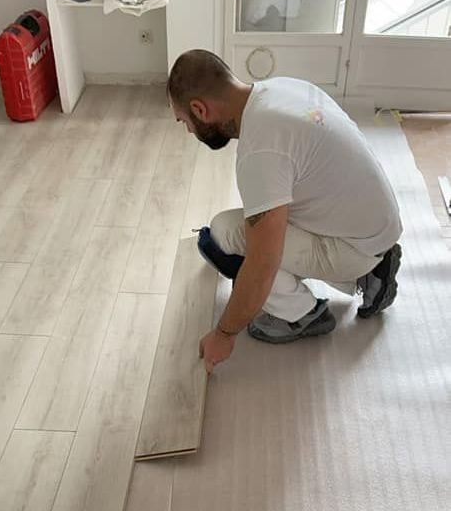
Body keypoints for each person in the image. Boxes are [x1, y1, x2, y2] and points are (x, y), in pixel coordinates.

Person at [167, 49, 403, 374]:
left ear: (200, 109)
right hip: (373, 222)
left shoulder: (261, 149)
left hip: (357, 244)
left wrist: (224, 333)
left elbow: (264, 263)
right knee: (224, 230)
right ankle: (368, 268)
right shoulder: (279, 89)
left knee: (245, 248)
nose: (189, 131)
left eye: (185, 121)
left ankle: (306, 313)